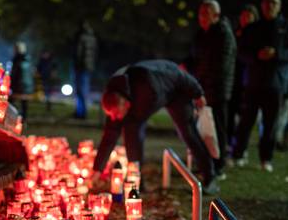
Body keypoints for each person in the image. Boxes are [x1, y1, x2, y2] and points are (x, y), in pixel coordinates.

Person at [92, 59, 218, 193]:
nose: (114, 118)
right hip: (146, 101)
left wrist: (198, 93)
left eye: (116, 114)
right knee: (131, 136)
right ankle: (137, 184)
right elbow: (109, 137)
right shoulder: (115, 103)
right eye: (111, 115)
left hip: (175, 90)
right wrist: (97, 170)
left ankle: (210, 176)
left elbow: (179, 76)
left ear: (125, 104)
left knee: (188, 133)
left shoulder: (146, 84)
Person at [232, 0, 288, 171]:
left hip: (276, 83)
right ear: (262, 5)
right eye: (267, 2)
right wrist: (256, 56)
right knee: (246, 120)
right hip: (254, 81)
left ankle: (266, 159)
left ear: (279, 6)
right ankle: (238, 154)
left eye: (274, 3)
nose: (270, 6)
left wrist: (278, 54)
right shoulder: (253, 28)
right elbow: (241, 52)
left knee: (270, 123)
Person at [186, 0, 237, 180]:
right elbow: (194, 57)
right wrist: (186, 65)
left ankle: (219, 165)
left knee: (218, 129)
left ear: (216, 15)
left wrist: (203, 85)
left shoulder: (224, 35)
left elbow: (220, 66)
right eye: (200, 14)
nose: (202, 18)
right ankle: (207, 164)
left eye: (206, 14)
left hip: (217, 89)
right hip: (202, 89)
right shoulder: (201, 34)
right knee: (203, 129)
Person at [228, 4, 259, 148]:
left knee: (245, 116)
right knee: (230, 112)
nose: (246, 19)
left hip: (249, 79)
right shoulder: (235, 34)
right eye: (243, 16)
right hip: (233, 78)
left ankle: (241, 145)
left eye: (249, 16)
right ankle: (229, 142)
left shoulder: (258, 35)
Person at [74, 20, 98, 119]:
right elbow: (95, 53)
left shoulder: (82, 38)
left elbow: (78, 53)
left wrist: (77, 64)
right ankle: (82, 111)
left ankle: (81, 113)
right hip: (89, 67)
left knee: (80, 90)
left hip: (81, 67)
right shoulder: (93, 39)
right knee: (85, 90)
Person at [10, 41, 34, 119]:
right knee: (24, 103)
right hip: (27, 85)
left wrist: (10, 82)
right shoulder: (28, 59)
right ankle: (24, 119)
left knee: (10, 101)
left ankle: (13, 117)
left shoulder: (16, 60)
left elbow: (14, 74)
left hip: (18, 85)